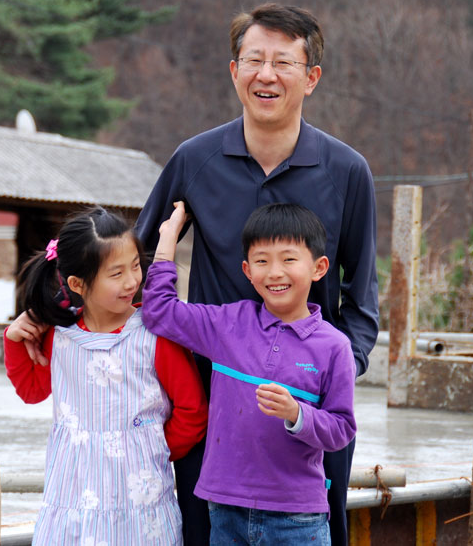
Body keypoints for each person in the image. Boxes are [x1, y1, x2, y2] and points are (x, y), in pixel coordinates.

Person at [133, 3, 378, 545]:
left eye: (283, 63)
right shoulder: (194, 159)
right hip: (212, 401)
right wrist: (55, 313)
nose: (266, 75)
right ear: (234, 71)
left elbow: (362, 295)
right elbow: (134, 260)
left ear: (311, 78)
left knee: (316, 529)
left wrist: (332, 367)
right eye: (253, 60)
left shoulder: (346, 171)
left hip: (311, 407)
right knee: (204, 531)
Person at [142, 201, 356, 545]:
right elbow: (159, 312)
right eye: (261, 261)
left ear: (319, 267)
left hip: (298, 518)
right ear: (246, 270)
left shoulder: (335, 347)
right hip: (225, 509)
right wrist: (168, 239)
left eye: (289, 259)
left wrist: (297, 414)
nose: (274, 272)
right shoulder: (228, 325)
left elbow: (341, 431)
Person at [4, 206, 208, 546]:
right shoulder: (60, 335)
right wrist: (13, 339)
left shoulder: (154, 335)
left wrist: (149, 448)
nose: (131, 281)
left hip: (140, 502)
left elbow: (193, 409)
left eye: (135, 266)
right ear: (77, 284)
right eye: (116, 274)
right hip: (71, 497)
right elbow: (31, 391)